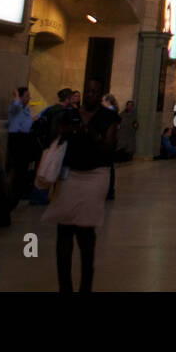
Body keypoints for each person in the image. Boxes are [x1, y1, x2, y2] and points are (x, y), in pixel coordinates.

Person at [43, 78, 119, 292]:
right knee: (64, 228)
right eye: (87, 91)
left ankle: (86, 286)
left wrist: (91, 133)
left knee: (86, 232)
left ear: (101, 93)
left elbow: (108, 148)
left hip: (94, 175)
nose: (90, 95)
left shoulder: (109, 116)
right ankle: (64, 287)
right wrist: (71, 130)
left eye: (95, 92)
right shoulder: (71, 113)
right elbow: (57, 133)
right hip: (70, 174)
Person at [7, 87, 35, 201]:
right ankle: (15, 191)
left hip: (25, 138)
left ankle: (22, 190)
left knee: (24, 166)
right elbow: (16, 106)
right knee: (18, 166)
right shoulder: (15, 107)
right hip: (17, 138)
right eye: (27, 96)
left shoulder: (27, 109)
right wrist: (17, 97)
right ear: (21, 97)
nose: (29, 98)